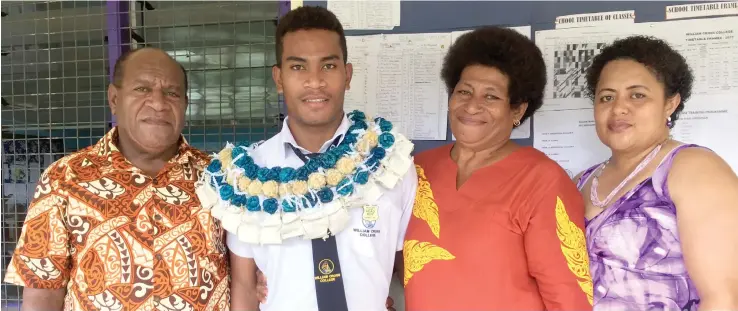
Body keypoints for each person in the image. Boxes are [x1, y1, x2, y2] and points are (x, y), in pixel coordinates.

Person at [194, 6, 417, 311]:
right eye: (298, 67)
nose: (315, 81)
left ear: (347, 75)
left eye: (328, 66)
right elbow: (245, 289)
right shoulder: (246, 178)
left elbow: (410, 269)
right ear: (279, 78)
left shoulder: (388, 163)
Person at [4, 47, 230, 311]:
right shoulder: (64, 179)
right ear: (114, 99)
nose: (158, 103)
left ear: (185, 104)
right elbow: (42, 292)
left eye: (172, 93)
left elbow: (250, 274)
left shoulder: (220, 177)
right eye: (142, 89)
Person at [401, 26, 593, 311]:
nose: (472, 106)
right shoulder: (417, 170)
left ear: (517, 110)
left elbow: (568, 298)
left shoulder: (542, 180)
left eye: (490, 97)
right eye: (464, 91)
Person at [576, 35, 738, 310]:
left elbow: (725, 298)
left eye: (637, 95)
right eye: (606, 97)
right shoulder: (580, 182)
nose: (619, 108)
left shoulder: (692, 168)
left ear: (670, 104)